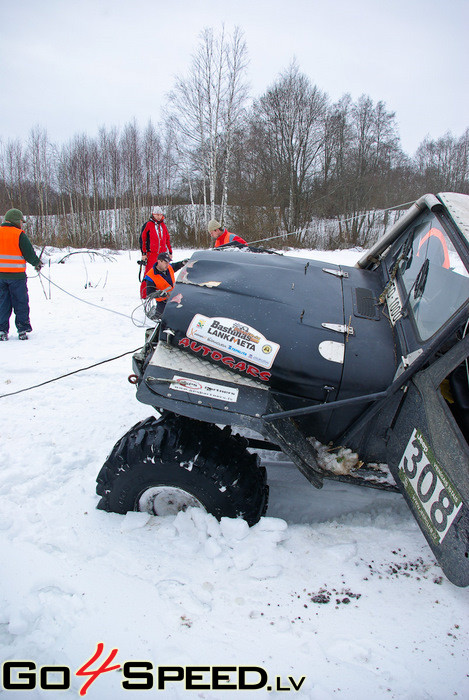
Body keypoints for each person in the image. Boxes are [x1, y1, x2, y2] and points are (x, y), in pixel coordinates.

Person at [0, 208, 43, 341]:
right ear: (15, 220)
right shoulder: (19, 234)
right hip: (17, 276)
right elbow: (28, 253)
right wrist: (37, 263)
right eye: (21, 221)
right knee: (20, 302)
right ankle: (22, 329)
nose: (22, 224)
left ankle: (2, 330)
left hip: (0, 277)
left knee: (2, 303)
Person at [139, 206, 172, 298]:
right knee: (149, 273)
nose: (158, 216)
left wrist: (170, 251)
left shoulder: (163, 226)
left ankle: (163, 291)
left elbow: (167, 239)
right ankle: (145, 294)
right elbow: (143, 239)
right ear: (153, 215)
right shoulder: (148, 225)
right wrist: (144, 253)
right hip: (151, 253)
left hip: (162, 254)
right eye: (157, 214)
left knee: (164, 272)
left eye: (160, 215)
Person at [143, 252, 188, 319]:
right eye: (165, 263)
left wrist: (182, 263)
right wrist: (159, 294)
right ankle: (155, 313)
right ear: (159, 261)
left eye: (168, 262)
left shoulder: (169, 267)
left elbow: (176, 266)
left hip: (174, 296)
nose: (167, 265)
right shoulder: (150, 276)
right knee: (161, 318)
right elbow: (149, 293)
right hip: (162, 301)